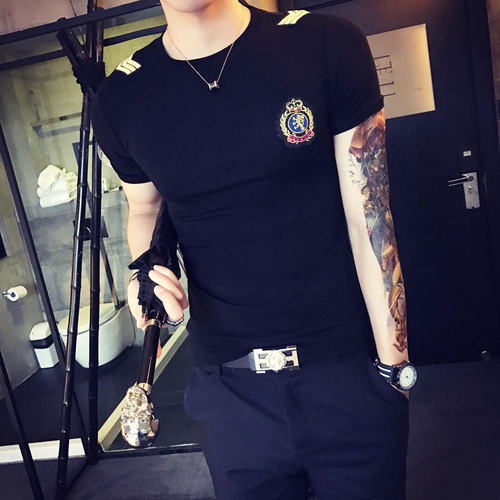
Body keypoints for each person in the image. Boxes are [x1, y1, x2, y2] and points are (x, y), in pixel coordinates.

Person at [90, 0, 417, 498]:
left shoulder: (324, 43)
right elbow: (144, 207)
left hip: (345, 371)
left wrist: (394, 369)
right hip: (229, 398)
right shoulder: (121, 98)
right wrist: (144, 274)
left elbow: (369, 216)